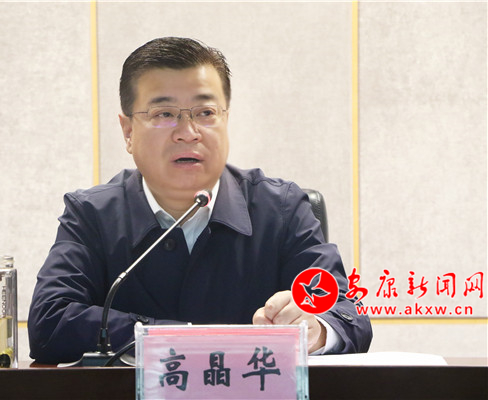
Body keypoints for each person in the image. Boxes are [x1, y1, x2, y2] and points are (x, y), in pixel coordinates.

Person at [28, 37, 372, 364]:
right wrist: (182, 339)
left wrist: (315, 329)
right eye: (164, 114)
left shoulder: (280, 209)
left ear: (225, 119)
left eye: (205, 113)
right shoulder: (92, 214)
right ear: (128, 131)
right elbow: (51, 320)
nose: (188, 132)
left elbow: (348, 315)